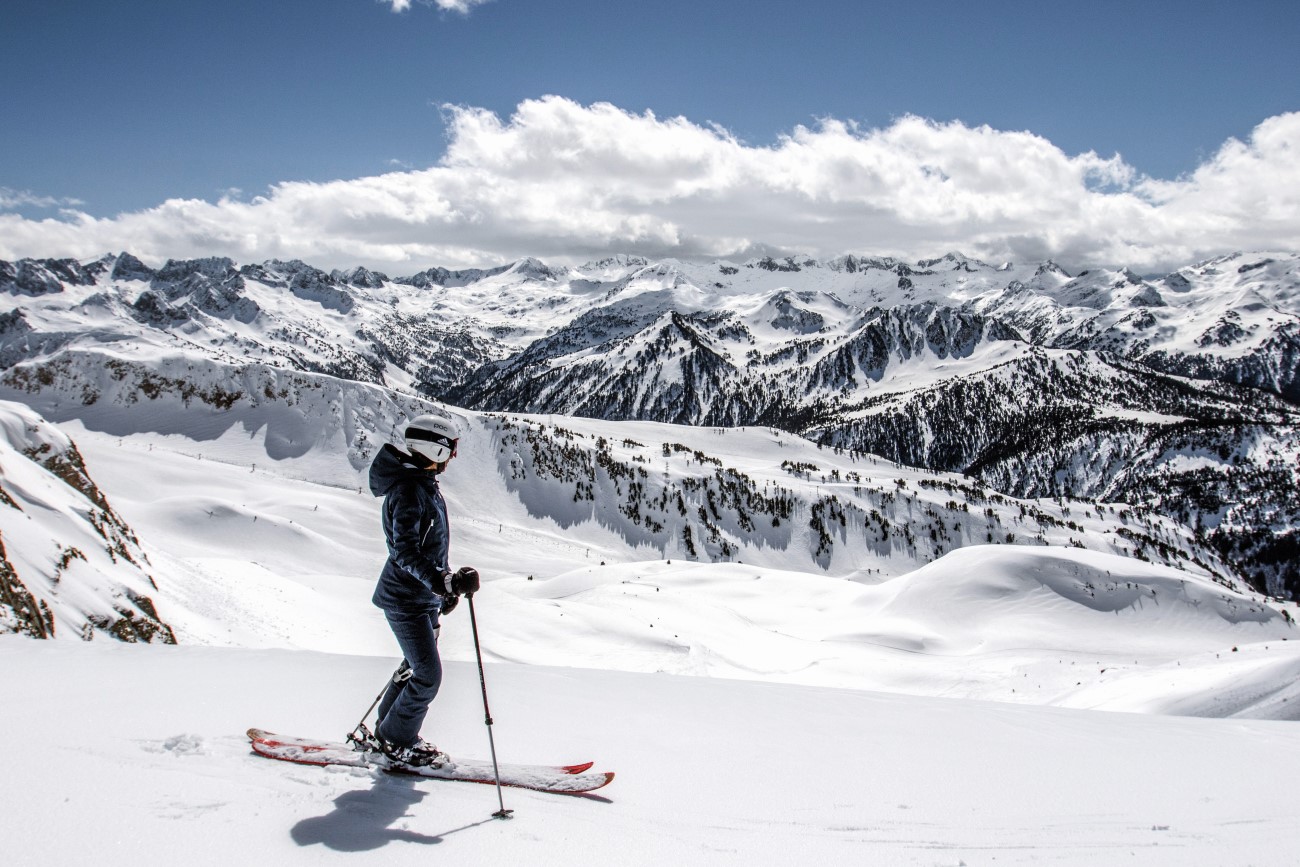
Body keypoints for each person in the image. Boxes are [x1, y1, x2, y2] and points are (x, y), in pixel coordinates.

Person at [365, 412, 480, 766]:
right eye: (451, 448)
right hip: (405, 600)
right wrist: (441, 582)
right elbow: (406, 552)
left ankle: (387, 730)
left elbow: (428, 548)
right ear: (437, 449)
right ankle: (396, 741)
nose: (454, 456)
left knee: (415, 667)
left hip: (420, 597)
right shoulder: (411, 490)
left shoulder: (422, 483)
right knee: (428, 676)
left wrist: (443, 589)